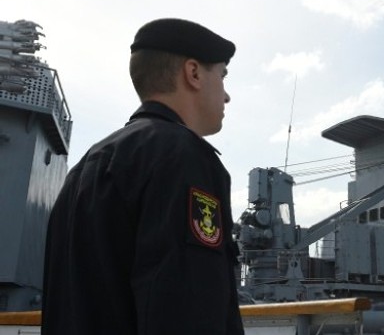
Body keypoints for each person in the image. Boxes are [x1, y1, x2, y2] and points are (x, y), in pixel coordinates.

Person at [41, 18, 243, 334]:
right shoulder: (184, 158)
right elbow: (188, 310)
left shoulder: (84, 169)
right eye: (223, 75)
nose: (227, 95)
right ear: (193, 74)